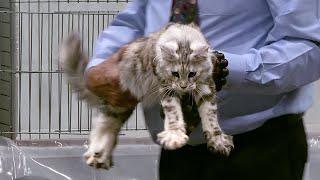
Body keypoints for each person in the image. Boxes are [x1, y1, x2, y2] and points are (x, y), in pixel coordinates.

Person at [84, 0, 320, 179]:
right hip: (177, 151)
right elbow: (134, 20)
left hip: (259, 150)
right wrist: (98, 68)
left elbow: (310, 46)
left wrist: (223, 67)